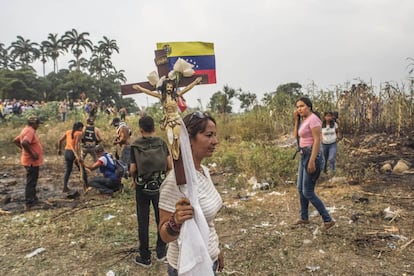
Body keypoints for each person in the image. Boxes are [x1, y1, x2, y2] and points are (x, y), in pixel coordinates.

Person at [158, 111, 224, 275]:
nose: (215, 141)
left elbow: (207, 222)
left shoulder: (204, 172)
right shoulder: (176, 182)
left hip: (208, 260)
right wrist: (176, 221)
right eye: (209, 135)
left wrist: (215, 250)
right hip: (188, 266)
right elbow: (164, 235)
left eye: (214, 135)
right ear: (189, 139)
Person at [130, 115, 172, 267]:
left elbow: (133, 168)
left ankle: (145, 257)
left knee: (143, 222)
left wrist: (134, 179)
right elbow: (169, 165)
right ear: (154, 128)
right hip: (160, 187)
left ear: (141, 129)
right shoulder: (161, 143)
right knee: (161, 219)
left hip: (142, 189)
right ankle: (161, 252)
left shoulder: (135, 145)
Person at [132, 76, 202, 160]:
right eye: (167, 87)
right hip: (167, 120)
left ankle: (177, 154)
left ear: (173, 88)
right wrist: (140, 88)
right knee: (170, 138)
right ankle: (173, 154)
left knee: (176, 137)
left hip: (176, 119)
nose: (169, 88)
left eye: (171, 87)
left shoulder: (176, 96)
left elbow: (186, 89)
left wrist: (195, 82)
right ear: (165, 87)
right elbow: (150, 92)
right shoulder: (162, 97)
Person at [293, 97, 335, 231]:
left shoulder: (314, 119)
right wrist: (296, 120)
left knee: (308, 191)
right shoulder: (304, 120)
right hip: (303, 155)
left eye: (302, 106)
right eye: (298, 106)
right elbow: (296, 136)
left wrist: (312, 161)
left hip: (313, 156)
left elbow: (317, 140)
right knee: (300, 189)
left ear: (309, 107)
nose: (299, 108)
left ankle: (328, 220)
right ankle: (304, 218)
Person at [13, 115, 44, 209]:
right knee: (31, 182)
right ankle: (29, 202)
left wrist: (25, 150)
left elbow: (16, 141)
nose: (38, 126)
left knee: (32, 181)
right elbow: (24, 143)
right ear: (33, 123)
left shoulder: (26, 130)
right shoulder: (29, 131)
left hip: (30, 161)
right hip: (31, 161)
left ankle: (33, 198)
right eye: (37, 124)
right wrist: (32, 154)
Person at [57, 121, 87, 192]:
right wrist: (78, 156)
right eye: (82, 128)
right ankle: (86, 186)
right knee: (82, 169)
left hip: (66, 152)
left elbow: (60, 140)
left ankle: (65, 187)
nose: (82, 130)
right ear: (80, 128)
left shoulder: (68, 132)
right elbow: (76, 145)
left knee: (68, 170)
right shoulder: (79, 133)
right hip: (73, 153)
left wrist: (59, 149)